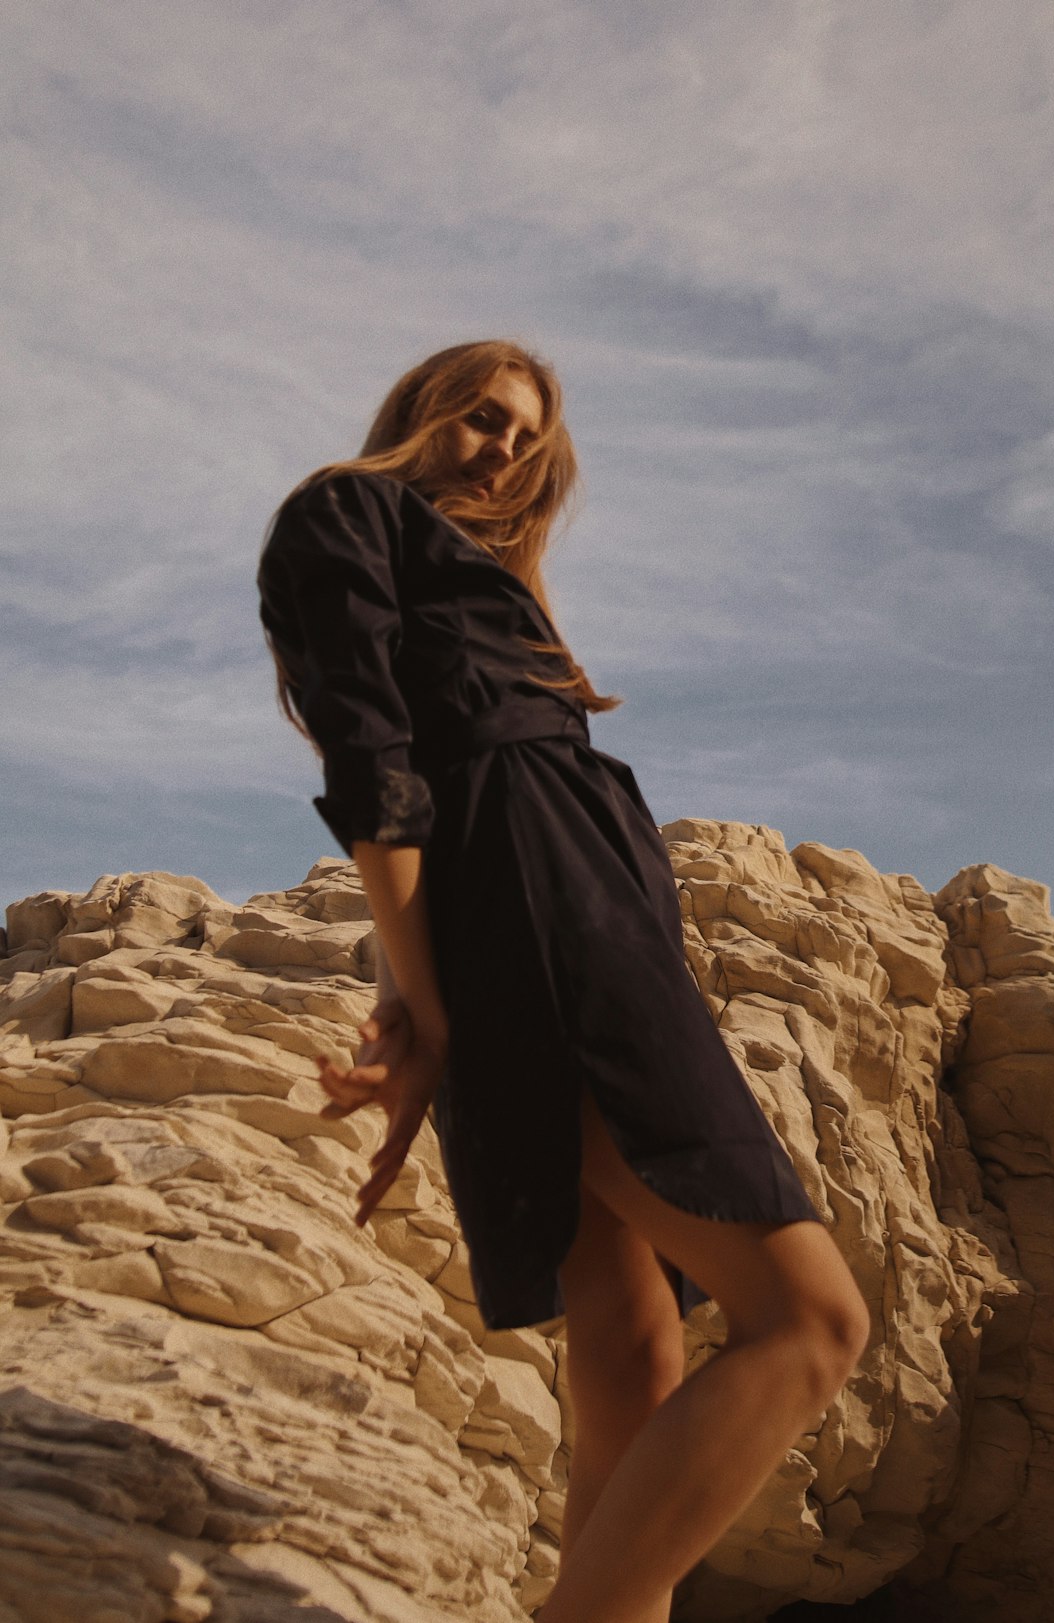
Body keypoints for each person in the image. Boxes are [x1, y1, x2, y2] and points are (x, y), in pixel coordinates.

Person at [257, 339, 870, 1623]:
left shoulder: (490, 588)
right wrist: (421, 1007)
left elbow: (422, 794)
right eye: (482, 419)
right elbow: (381, 780)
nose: (501, 452)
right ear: (423, 407)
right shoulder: (346, 509)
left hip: (577, 913)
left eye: (525, 441)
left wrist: (413, 991)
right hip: (547, 920)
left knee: (635, 1341)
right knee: (812, 1323)